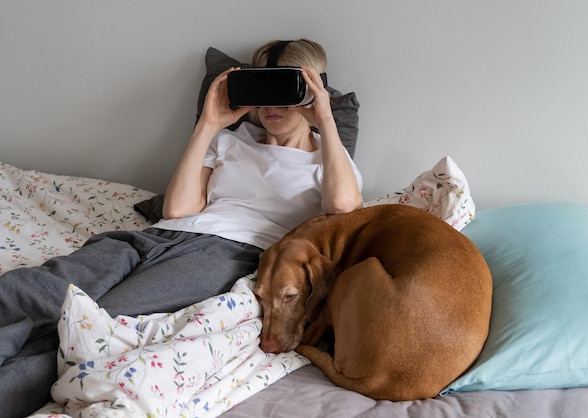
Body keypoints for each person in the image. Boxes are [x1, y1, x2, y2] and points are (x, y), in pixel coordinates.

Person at [0, 39, 362, 417]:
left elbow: (342, 206)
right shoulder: (228, 140)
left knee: (97, 322)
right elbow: (176, 209)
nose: (272, 105)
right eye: (261, 87)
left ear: (312, 92)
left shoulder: (328, 156)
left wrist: (325, 120)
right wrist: (210, 124)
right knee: (33, 288)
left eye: (285, 90)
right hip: (157, 236)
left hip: (228, 252)